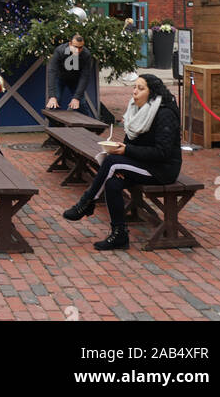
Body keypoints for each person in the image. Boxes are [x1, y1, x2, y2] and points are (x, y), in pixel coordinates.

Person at [62, 73, 182, 250]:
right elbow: (130, 142)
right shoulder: (136, 109)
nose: (135, 92)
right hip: (142, 164)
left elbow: (162, 152)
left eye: (141, 89)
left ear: (152, 93)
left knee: (112, 162)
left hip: (161, 169)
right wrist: (122, 148)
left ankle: (86, 203)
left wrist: (126, 151)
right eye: (134, 87)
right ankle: (119, 235)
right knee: (112, 183)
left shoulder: (165, 114)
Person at [46, 32, 94, 115]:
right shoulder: (60, 51)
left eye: (80, 47)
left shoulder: (86, 54)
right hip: (60, 77)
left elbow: (85, 76)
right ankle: (55, 127)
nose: (78, 50)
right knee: (54, 103)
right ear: (70, 44)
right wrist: (52, 96)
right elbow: (52, 71)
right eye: (75, 47)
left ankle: (90, 127)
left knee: (81, 103)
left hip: (75, 79)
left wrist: (77, 97)